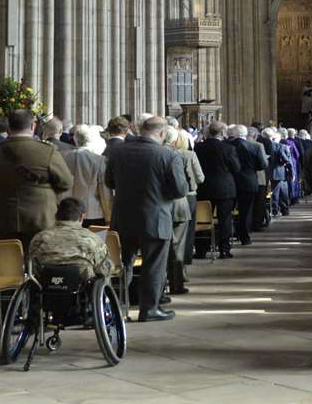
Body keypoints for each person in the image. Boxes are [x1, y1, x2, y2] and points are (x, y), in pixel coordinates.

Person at [104, 115, 187, 322]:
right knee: (154, 265)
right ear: (161, 133)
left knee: (124, 264)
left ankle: (116, 307)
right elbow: (179, 190)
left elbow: (109, 181)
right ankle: (149, 309)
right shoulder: (168, 155)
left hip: (123, 217)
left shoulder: (119, 152)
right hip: (156, 218)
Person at [0, 109, 73, 253]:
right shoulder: (47, 150)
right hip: (40, 218)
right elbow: (66, 183)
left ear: (8, 128)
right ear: (33, 126)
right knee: (38, 263)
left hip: (2, 218)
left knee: (5, 266)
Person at [26, 196, 118, 282]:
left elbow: (33, 267)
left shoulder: (39, 238)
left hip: (46, 287)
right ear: (82, 217)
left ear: (56, 215)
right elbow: (105, 269)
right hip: (82, 289)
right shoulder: (92, 238)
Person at [194, 121, 243, 258]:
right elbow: (236, 168)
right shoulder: (228, 148)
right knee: (225, 220)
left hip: (204, 187)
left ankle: (201, 251)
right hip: (225, 188)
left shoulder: (198, 147)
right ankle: (224, 250)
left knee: (203, 218)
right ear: (222, 133)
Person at [166, 126, 203, 295]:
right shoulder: (178, 155)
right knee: (178, 244)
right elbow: (187, 183)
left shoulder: (142, 153)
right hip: (180, 201)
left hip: (152, 206)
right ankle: (177, 281)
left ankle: (157, 290)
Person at [57, 123, 110, 227]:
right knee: (95, 242)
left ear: (76, 139)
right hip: (92, 213)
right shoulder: (99, 160)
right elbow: (104, 191)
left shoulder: (61, 157)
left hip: (66, 210)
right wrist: (109, 216)